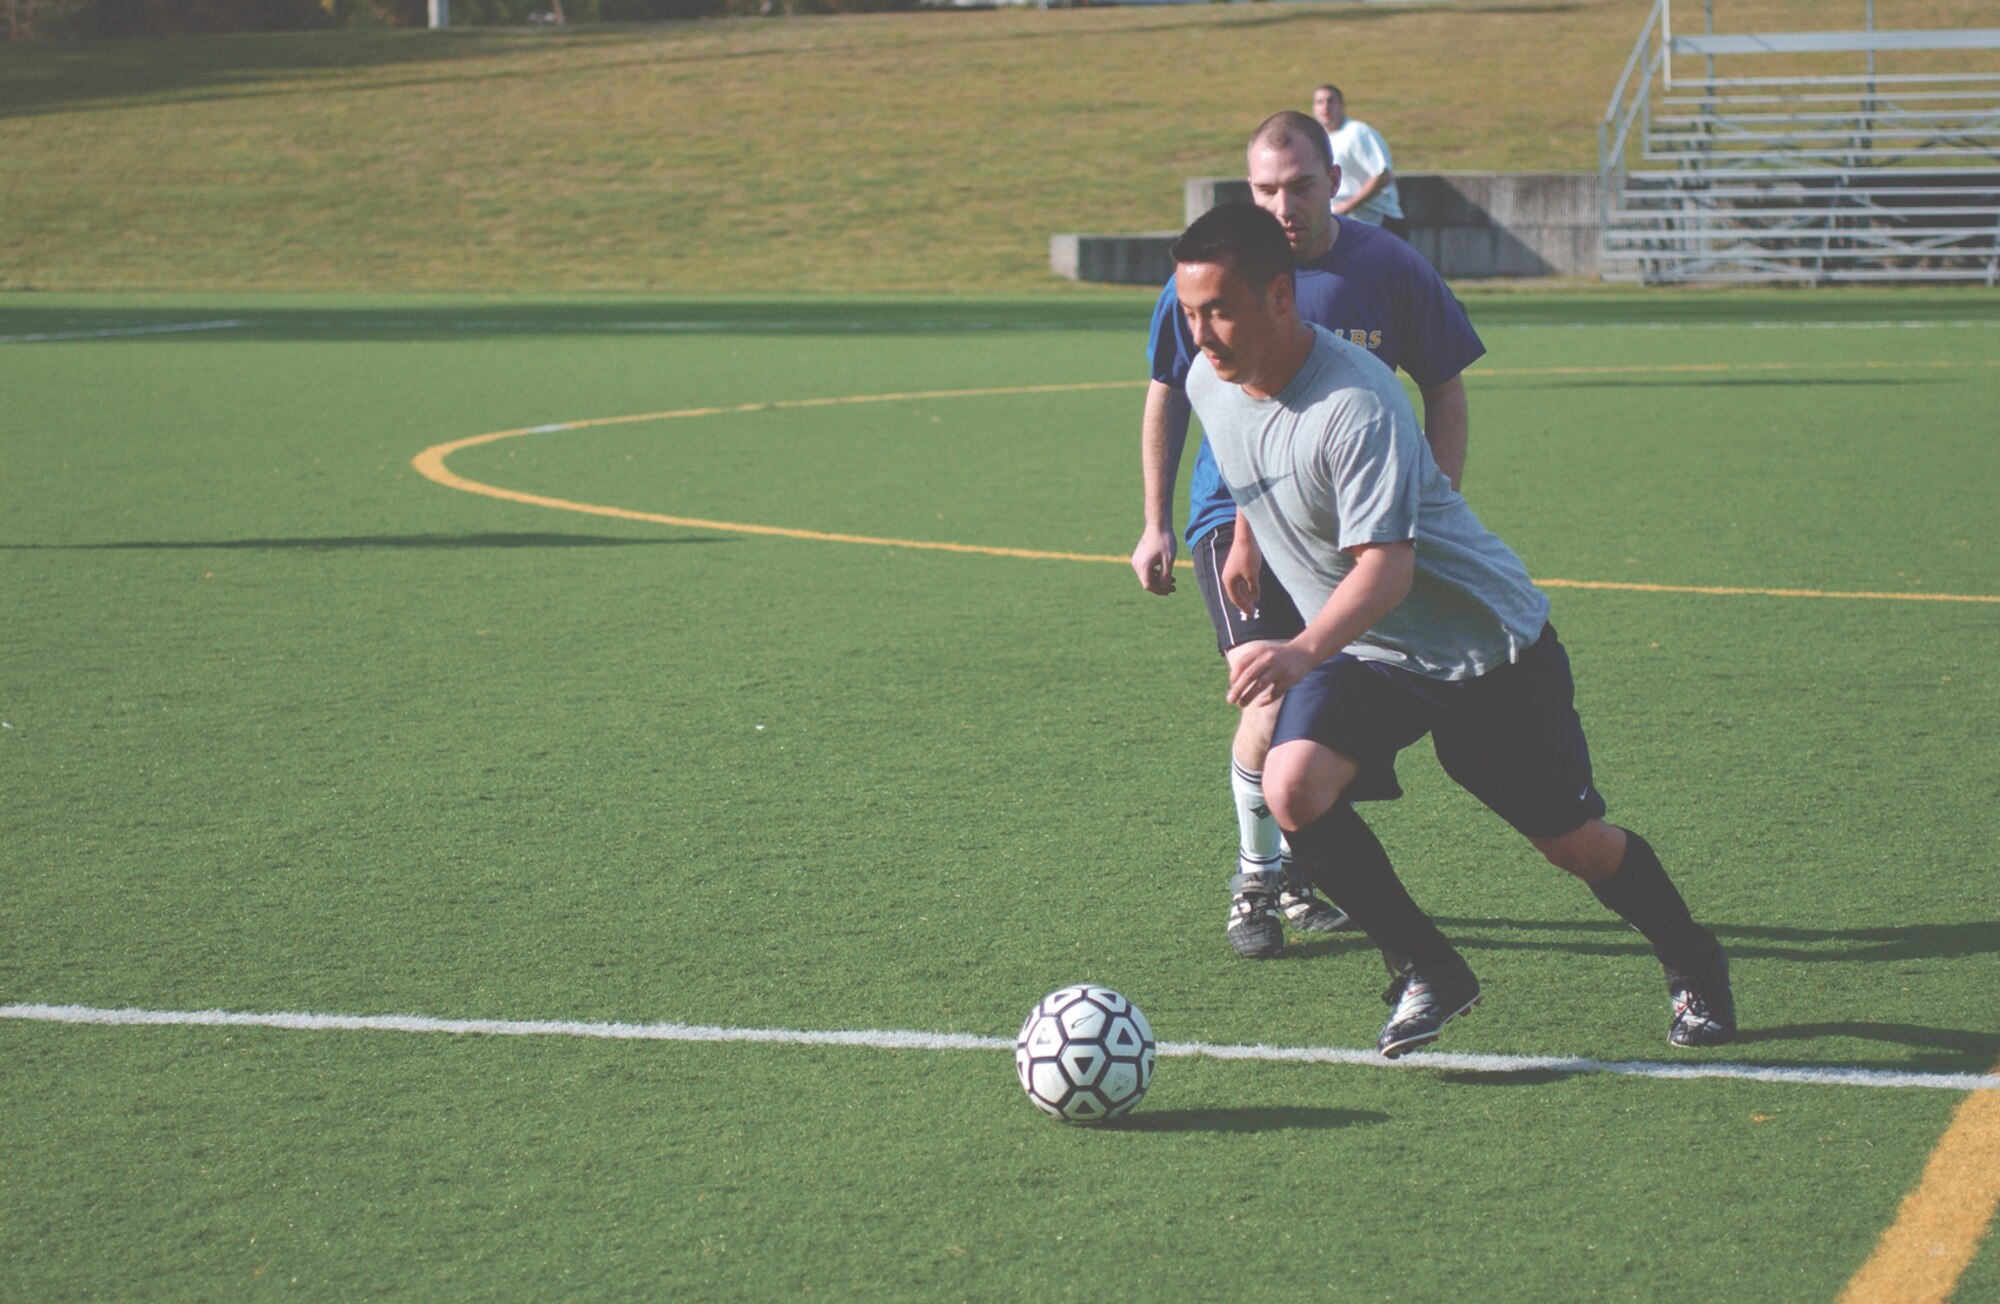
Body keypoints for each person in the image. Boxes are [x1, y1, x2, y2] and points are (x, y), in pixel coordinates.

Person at [1170, 200, 1736, 1056]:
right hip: (1368, 648)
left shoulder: (1356, 403)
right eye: (1187, 311)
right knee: (1292, 788)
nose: (1201, 333)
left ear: (1279, 297)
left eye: (1219, 309)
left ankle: (1694, 960)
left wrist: (1295, 650)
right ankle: (1429, 968)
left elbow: (1386, 571)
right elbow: (1248, 455)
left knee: (1573, 846)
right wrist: (1248, 537)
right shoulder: (1208, 379)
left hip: (1482, 649)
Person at [1131, 111, 1482, 960]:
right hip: (1234, 518)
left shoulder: (1388, 268)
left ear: (1338, 180)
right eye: (1264, 188)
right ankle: (1260, 877)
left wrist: (1424, 513)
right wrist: (1156, 522)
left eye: (1299, 185)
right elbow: (1167, 394)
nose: (1282, 204)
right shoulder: (1217, 271)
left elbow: (1445, 389)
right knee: (1271, 693)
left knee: (1337, 714)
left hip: (1345, 531)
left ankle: (1297, 857)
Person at [1312, 84, 1408, 240]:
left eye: (1331, 101)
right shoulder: (1322, 139)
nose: (1325, 107)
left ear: (1342, 105)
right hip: (1348, 224)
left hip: (1379, 223)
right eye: (1319, 102)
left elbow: (1383, 175)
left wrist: (1348, 205)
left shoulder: (1357, 133)